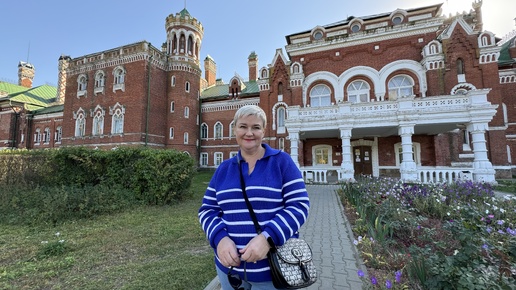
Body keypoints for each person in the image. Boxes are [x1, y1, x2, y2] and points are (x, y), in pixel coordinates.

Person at [198, 104, 310, 290]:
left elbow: (299, 206)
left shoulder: (282, 162)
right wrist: (220, 239)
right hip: (230, 273)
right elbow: (207, 210)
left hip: (273, 272)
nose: (249, 133)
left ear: (263, 131)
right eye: (243, 126)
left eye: (255, 127)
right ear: (234, 129)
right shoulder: (224, 169)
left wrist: (268, 238)